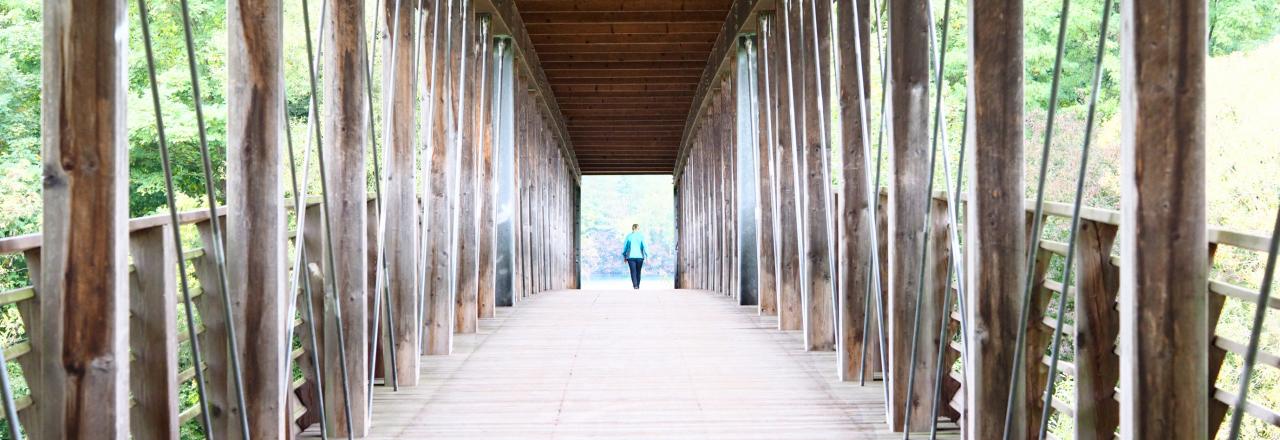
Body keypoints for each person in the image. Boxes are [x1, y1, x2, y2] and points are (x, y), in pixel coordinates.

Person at [621, 224, 648, 290]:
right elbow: (645, 246)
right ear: (638, 228)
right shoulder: (641, 236)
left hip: (630, 257)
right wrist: (647, 256)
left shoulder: (628, 236)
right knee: (638, 271)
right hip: (640, 257)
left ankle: (635, 286)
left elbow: (625, 247)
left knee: (633, 271)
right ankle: (637, 285)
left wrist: (624, 256)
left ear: (632, 228)